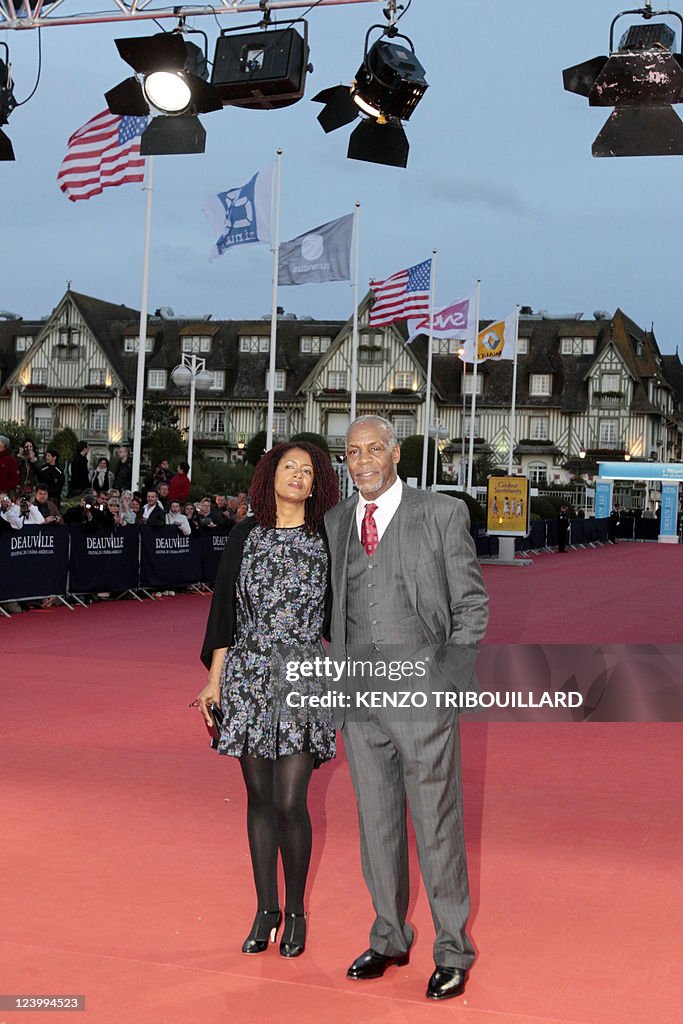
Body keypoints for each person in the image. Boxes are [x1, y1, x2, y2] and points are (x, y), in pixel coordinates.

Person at [324, 415, 488, 1002]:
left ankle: (452, 950)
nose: (363, 460)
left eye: (373, 449)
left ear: (396, 453)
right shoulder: (337, 521)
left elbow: (471, 605)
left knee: (437, 825)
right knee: (377, 826)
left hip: (422, 696)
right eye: (352, 452)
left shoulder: (441, 514)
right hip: (360, 698)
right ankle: (390, 935)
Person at [195, 443, 340, 960]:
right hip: (249, 677)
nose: (298, 476)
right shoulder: (243, 535)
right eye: (289, 467)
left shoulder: (328, 536)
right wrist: (215, 681)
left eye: (308, 471)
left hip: (303, 675)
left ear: (317, 482)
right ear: (269, 475)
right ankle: (265, 908)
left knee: (288, 800)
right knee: (258, 800)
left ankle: (296, 909)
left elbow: (342, 614)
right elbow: (223, 615)